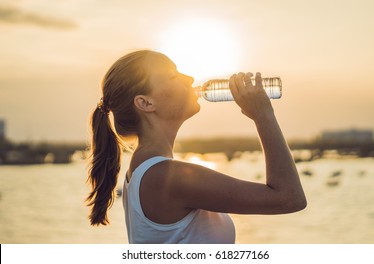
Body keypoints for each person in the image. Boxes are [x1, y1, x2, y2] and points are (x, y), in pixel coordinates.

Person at [86, 49, 306, 244]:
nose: (190, 78)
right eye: (173, 75)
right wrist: (263, 116)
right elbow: (289, 198)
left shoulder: (144, 170)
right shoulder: (165, 176)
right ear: (145, 103)